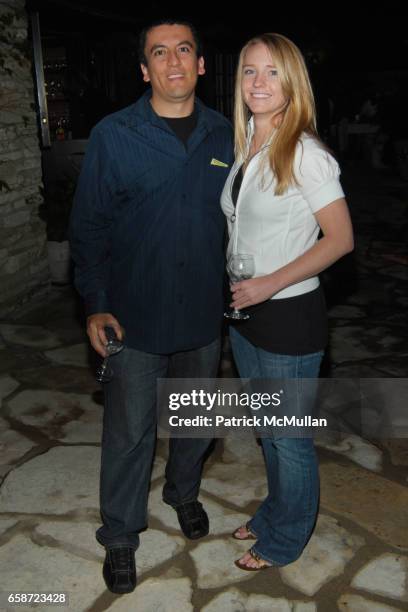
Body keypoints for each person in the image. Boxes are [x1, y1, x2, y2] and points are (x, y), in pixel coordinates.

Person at [69, 19, 233, 593]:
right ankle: (119, 534)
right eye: (159, 53)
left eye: (184, 50)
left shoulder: (228, 136)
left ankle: (183, 493)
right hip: (133, 316)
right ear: (144, 70)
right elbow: (88, 227)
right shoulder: (115, 135)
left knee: (195, 423)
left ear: (201, 64)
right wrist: (95, 303)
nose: (173, 62)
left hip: (200, 316)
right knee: (129, 433)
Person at [220, 33, 354, 570]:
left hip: (287, 315)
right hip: (245, 312)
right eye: (250, 71)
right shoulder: (249, 139)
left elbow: (341, 240)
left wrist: (269, 282)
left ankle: (287, 537)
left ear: (293, 82)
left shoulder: (305, 151)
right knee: (266, 430)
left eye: (273, 72)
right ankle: (276, 508)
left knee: (288, 437)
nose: (258, 82)